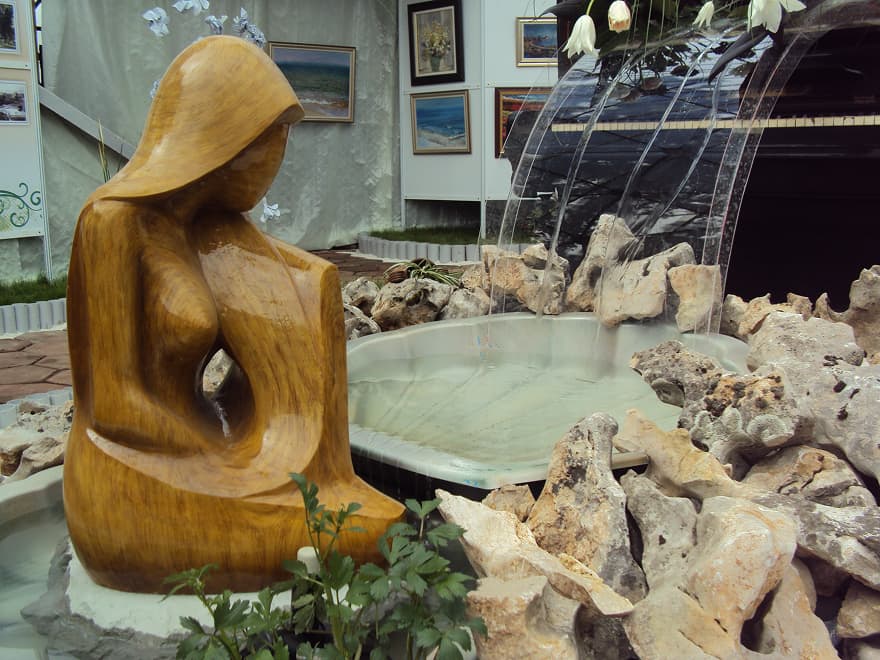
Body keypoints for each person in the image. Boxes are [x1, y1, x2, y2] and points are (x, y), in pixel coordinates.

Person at [64, 35, 402, 593]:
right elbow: (112, 405)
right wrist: (222, 458)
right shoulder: (112, 223)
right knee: (370, 535)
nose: (276, 161)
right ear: (223, 139)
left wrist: (312, 299)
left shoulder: (210, 231)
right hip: (132, 474)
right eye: (271, 142)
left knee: (363, 518)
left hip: (204, 453)